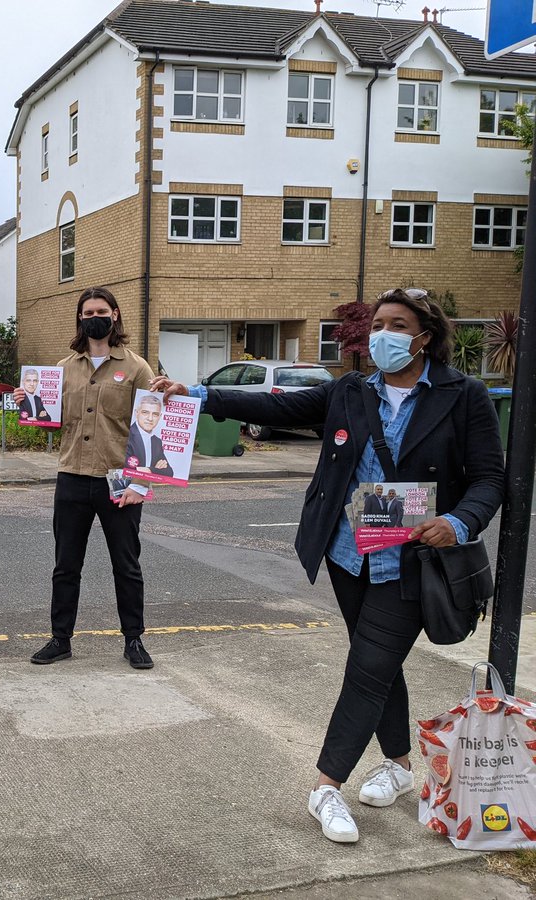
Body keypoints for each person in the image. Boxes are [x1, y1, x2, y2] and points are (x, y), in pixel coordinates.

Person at [153, 287, 504, 844]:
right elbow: (277, 406)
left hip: (411, 557)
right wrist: (195, 393)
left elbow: (489, 478)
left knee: (367, 668)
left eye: (397, 325)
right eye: (377, 324)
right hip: (348, 552)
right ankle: (399, 766)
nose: (382, 335)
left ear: (425, 337)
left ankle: (326, 786)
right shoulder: (350, 389)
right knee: (378, 664)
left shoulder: (464, 395)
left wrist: (459, 523)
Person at [19, 286, 156, 670]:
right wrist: (30, 405)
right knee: (66, 565)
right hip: (73, 476)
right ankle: (60, 639)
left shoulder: (137, 368)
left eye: (101, 311)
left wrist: (140, 483)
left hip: (119, 480)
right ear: (80, 318)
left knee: (126, 565)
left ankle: (134, 640)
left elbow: (151, 426)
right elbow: (53, 422)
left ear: (115, 315)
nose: (94, 317)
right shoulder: (63, 368)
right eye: (87, 312)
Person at [125, 393, 173, 477]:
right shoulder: (126, 435)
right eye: (145, 412)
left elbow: (169, 472)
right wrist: (155, 470)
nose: (150, 418)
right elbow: (123, 469)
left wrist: (149, 470)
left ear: (160, 416)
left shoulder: (157, 441)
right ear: (136, 413)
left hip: (146, 484)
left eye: (155, 414)